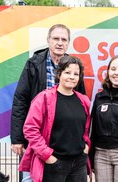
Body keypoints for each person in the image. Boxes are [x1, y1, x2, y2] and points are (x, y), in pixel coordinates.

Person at [10, 24, 85, 181]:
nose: (59, 43)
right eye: (55, 38)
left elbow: (80, 102)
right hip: (38, 134)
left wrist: (84, 144)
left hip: (63, 139)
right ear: (48, 41)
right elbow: (20, 100)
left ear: (68, 42)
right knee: (32, 177)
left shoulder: (73, 66)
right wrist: (17, 138)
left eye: (64, 39)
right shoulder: (34, 64)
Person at [19, 56, 91, 182]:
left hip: (79, 163)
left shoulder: (83, 100)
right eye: (67, 72)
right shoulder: (44, 98)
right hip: (55, 162)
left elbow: (86, 128)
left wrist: (86, 148)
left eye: (76, 74)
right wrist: (47, 156)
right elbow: (30, 129)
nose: (72, 77)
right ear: (59, 74)